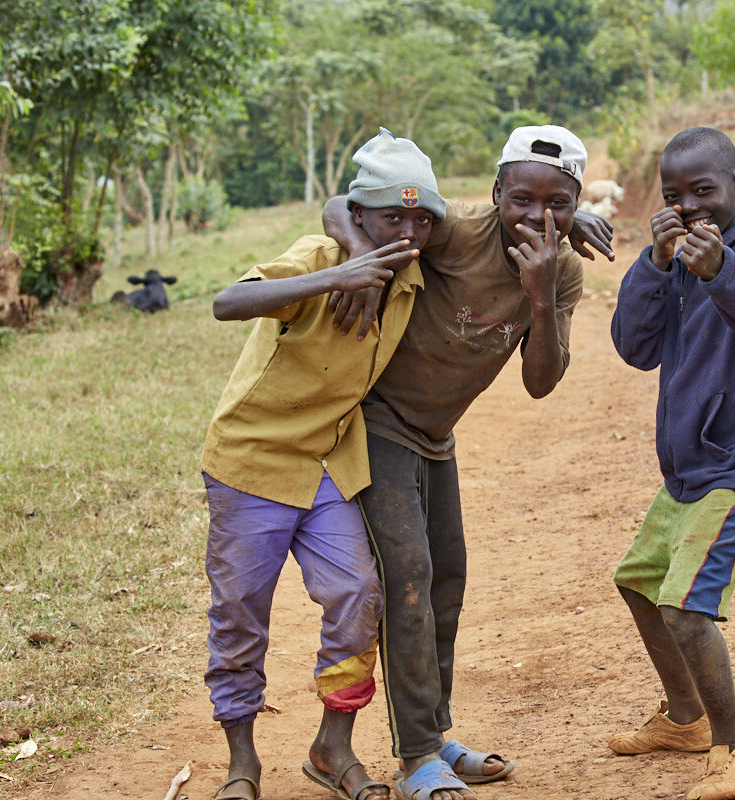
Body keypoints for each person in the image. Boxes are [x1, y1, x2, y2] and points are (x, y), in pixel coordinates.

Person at [322, 125, 615, 800]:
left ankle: (437, 729)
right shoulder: (454, 230)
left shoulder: (561, 271)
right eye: (520, 199)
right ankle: (418, 753)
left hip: (435, 434)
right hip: (378, 420)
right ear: (494, 193)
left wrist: (539, 295)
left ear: (573, 207)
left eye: (557, 205)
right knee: (408, 580)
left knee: (446, 579)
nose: (535, 217)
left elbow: (540, 381)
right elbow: (342, 206)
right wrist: (362, 254)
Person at [199, 128, 445, 800]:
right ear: (359, 219)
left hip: (329, 464)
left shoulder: (416, 273)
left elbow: (494, 217)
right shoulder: (318, 254)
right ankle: (241, 761)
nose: (407, 231)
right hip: (250, 461)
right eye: (390, 217)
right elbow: (227, 302)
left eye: (421, 219)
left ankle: (331, 746)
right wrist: (339, 272)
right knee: (240, 612)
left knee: (357, 593)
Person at [608, 126, 735, 800]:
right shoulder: (674, 264)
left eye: (704, 192)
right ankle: (685, 719)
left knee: (686, 608)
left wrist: (721, 270)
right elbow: (634, 347)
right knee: (638, 583)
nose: (691, 208)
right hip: (688, 469)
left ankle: (734, 747)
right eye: (673, 196)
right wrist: (654, 265)